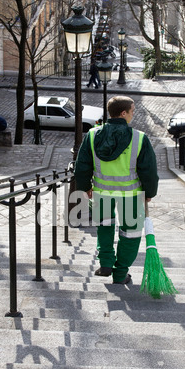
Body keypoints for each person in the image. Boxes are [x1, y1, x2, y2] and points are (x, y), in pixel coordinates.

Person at [74, 96, 159, 284]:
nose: (133, 115)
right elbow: (149, 170)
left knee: (104, 227)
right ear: (123, 113)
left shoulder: (92, 135)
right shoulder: (139, 138)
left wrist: (85, 187)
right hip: (131, 196)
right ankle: (120, 273)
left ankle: (105, 263)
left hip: (101, 193)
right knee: (130, 234)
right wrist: (150, 192)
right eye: (132, 111)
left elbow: (81, 165)